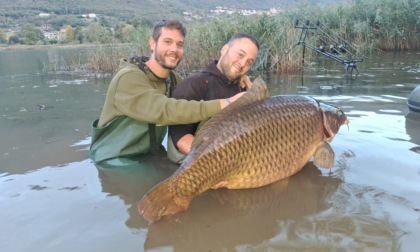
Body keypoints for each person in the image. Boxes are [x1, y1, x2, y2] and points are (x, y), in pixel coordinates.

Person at [89, 19, 245, 163]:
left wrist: (237, 80)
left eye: (179, 44)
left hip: (152, 156)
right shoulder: (128, 77)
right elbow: (165, 110)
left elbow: (202, 92)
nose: (174, 49)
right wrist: (226, 103)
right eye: (168, 42)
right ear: (152, 43)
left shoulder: (174, 79)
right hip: (114, 159)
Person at [168, 33, 260, 163]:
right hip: (202, 165)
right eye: (240, 55)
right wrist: (221, 161)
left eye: (249, 62)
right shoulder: (193, 84)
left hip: (240, 161)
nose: (242, 63)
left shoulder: (245, 89)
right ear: (224, 49)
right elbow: (180, 137)